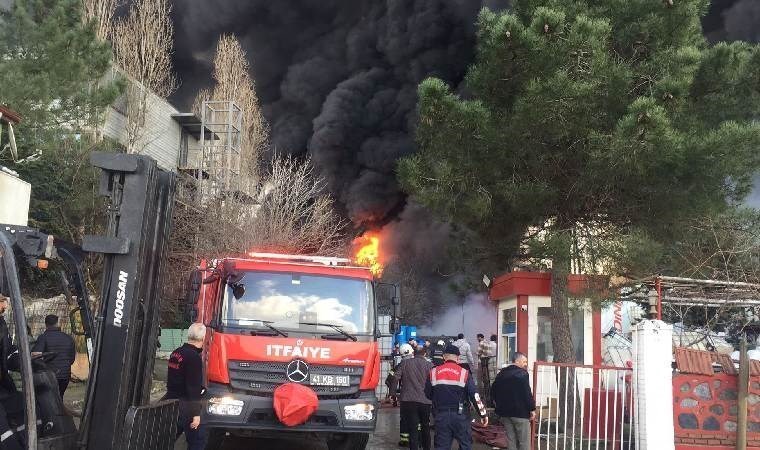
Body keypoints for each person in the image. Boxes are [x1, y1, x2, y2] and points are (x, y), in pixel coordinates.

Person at [425, 344, 488, 450]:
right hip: (461, 417)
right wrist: (483, 414)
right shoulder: (464, 373)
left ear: (444, 357)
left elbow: (427, 394)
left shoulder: (433, 372)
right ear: (458, 358)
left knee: (441, 447)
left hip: (441, 416)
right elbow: (475, 396)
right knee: (465, 446)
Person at [164, 323, 207, 450]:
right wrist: (196, 414)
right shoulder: (193, 357)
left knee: (167, 438)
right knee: (197, 441)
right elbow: (193, 388)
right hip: (186, 406)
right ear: (203, 338)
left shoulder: (176, 353)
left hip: (172, 403)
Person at [490, 353, 536, 450]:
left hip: (505, 413)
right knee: (524, 442)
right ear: (517, 361)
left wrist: (497, 406)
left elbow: (493, 390)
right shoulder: (523, 374)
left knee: (511, 440)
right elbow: (526, 393)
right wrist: (532, 409)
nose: (526, 364)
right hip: (520, 413)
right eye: (524, 362)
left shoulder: (501, 374)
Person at [395, 346, 434, 450]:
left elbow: (395, 378)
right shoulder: (430, 365)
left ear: (414, 353)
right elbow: (434, 383)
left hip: (408, 400)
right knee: (425, 427)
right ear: (425, 354)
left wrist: (393, 394)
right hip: (425, 401)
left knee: (413, 428)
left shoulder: (405, 363)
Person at [32, 314, 75, 398]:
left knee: (49, 399)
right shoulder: (68, 338)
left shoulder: (43, 337)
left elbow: (35, 355)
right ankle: (59, 409)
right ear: (57, 323)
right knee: (60, 396)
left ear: (46, 324)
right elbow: (72, 359)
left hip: (50, 375)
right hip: (65, 375)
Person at [0, 294, 23, 450]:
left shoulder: (1, 323)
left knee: (20, 402)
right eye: (2, 302)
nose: (5, 306)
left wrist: (22, 356)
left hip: (2, 380)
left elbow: (7, 348)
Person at [397, 343, 415, 446]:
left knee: (404, 418)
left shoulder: (401, 365)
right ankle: (418, 439)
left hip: (405, 396)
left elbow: (391, 379)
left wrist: (393, 393)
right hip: (420, 396)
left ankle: (405, 440)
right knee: (417, 419)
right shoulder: (420, 363)